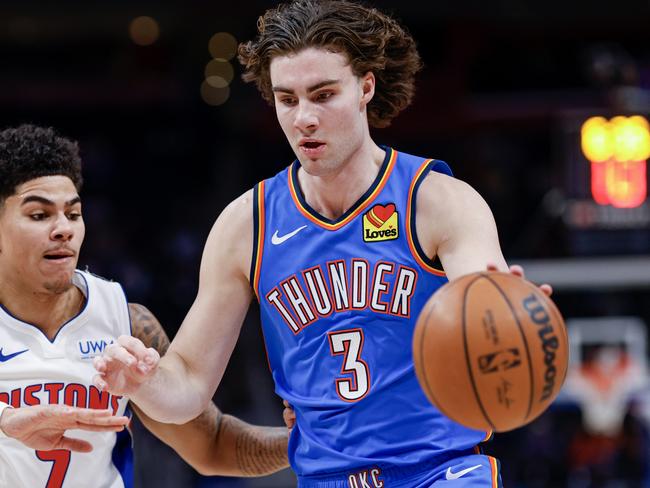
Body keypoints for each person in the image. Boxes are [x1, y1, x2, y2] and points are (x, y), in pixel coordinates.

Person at [94, 1, 551, 486]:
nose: (304, 118)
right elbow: (186, 384)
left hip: (442, 470)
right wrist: (143, 382)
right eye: (288, 100)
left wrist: (508, 313)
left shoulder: (437, 200)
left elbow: (482, 297)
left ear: (365, 88)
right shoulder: (246, 225)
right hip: (325, 477)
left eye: (323, 95)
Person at [0, 124, 290, 488]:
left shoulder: (126, 322)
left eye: (73, 214)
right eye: (39, 215)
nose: (64, 229)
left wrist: (311, 441)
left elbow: (214, 445)